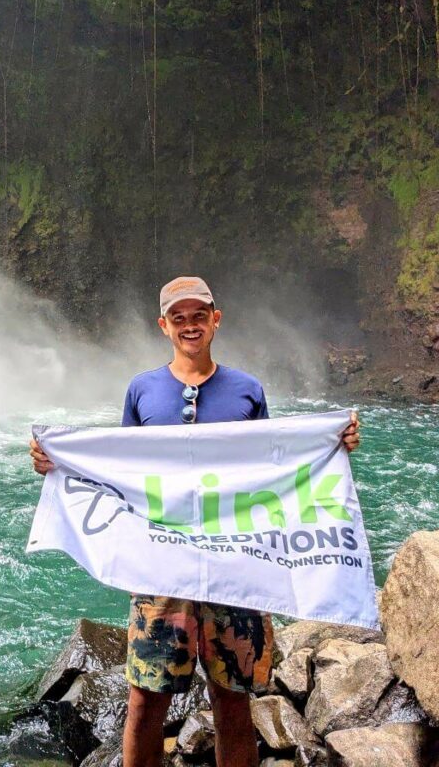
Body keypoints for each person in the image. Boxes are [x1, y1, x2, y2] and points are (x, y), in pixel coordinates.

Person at [30, 275, 361, 767]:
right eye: (179, 318)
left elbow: (277, 464)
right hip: (161, 568)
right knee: (145, 700)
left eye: (199, 315)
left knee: (232, 701)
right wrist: (58, 462)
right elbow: (120, 468)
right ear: (163, 325)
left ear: (216, 320)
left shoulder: (248, 391)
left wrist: (333, 445)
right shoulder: (142, 391)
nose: (190, 325)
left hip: (238, 567)